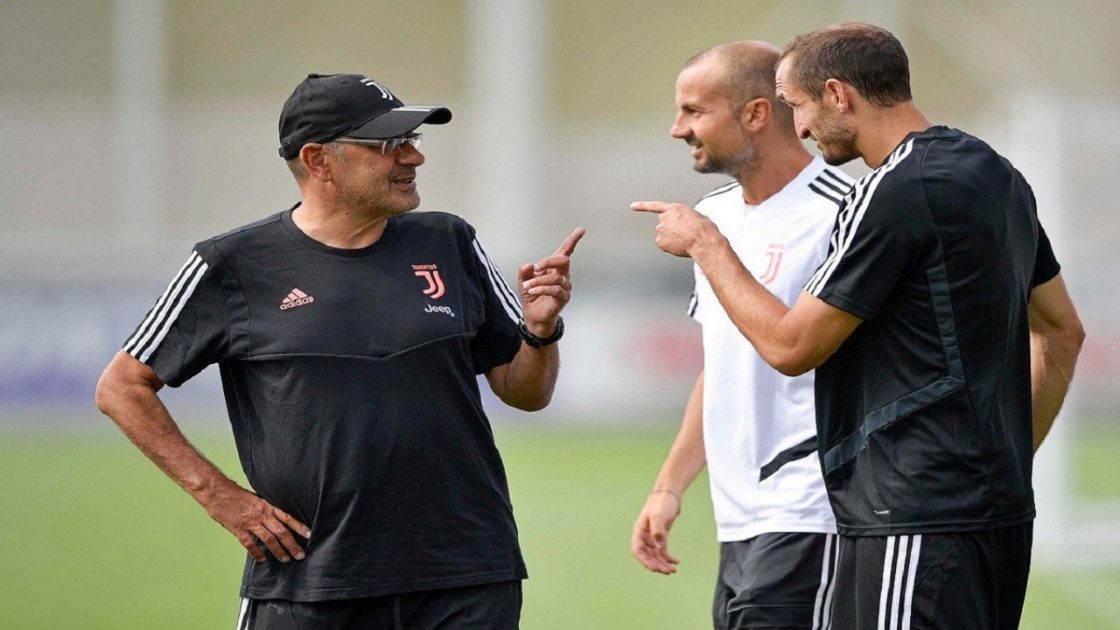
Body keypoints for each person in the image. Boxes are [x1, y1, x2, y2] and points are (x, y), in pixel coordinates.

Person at [632, 22, 1084, 630]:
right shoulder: (994, 173)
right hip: (987, 515)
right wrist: (1005, 463)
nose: (800, 128)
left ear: (838, 95)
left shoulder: (884, 192)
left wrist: (707, 244)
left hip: (908, 512)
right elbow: (1062, 331)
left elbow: (791, 346)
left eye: (798, 106)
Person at [95, 72, 584, 629]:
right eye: (389, 144)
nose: (413, 157)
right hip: (309, 582)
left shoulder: (450, 241)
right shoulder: (232, 265)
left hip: (467, 576)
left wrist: (539, 330)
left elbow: (526, 393)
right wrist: (221, 497)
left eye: (412, 140)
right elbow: (121, 387)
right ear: (319, 160)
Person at [630, 41, 852, 629]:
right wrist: (668, 488)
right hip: (739, 516)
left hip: (813, 507)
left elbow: (800, 350)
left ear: (755, 114)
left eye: (694, 110)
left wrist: (705, 245)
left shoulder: (842, 213)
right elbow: (723, 363)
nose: (678, 129)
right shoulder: (715, 214)